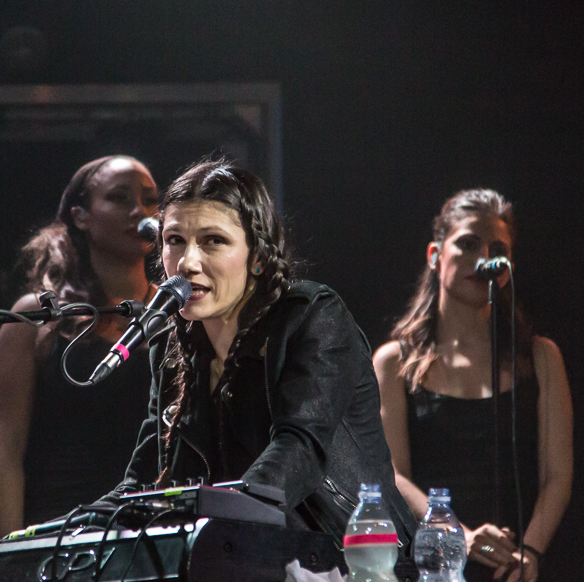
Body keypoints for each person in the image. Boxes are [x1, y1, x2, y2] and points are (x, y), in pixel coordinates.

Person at [112, 158, 416, 547]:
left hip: (350, 561)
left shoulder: (310, 316)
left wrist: (213, 521)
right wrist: (66, 531)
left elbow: (298, 447)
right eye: (174, 241)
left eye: (213, 241)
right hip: (237, 559)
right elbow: (143, 479)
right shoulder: (172, 346)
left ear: (257, 257)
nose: (186, 263)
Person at [373, 189, 572, 582]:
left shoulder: (540, 358)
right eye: (467, 243)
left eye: (497, 251)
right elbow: (393, 476)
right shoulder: (393, 362)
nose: (482, 258)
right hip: (434, 579)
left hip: (523, 580)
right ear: (434, 254)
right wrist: (457, 535)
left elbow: (557, 475)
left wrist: (532, 551)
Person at [0, 155, 160, 538]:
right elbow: (3, 450)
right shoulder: (36, 318)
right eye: (119, 197)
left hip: (156, 533)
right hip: (60, 537)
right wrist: (9, 558)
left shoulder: (178, 314)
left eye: (150, 199)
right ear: (81, 216)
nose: (139, 210)